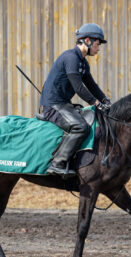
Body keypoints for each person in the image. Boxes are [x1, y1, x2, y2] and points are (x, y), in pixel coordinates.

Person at [39, 23, 111, 177]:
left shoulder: (82, 62)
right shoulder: (70, 58)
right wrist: (95, 103)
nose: (98, 49)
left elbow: (91, 85)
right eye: (97, 44)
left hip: (64, 104)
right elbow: (78, 87)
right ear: (87, 40)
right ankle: (57, 163)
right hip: (53, 105)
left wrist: (105, 100)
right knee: (80, 127)